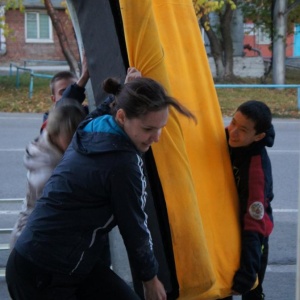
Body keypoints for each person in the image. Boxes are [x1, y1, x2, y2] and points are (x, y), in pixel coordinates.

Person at [6, 76, 196, 300]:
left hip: (64, 262)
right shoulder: (123, 163)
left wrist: (122, 91)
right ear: (122, 117)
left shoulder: (91, 128)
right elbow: (135, 228)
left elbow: (105, 110)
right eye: (148, 129)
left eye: (161, 128)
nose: (156, 138)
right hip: (40, 271)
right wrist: (150, 279)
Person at [9, 101, 87, 249]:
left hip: (32, 238)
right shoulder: (49, 174)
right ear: (55, 133)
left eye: (79, 135)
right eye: (70, 137)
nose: (75, 142)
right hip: (31, 245)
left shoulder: (48, 145)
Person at [224, 100, 275, 300]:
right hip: (229, 225)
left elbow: (255, 225)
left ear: (258, 136)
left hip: (255, 236)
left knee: (251, 290)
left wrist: (247, 273)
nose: (233, 131)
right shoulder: (228, 137)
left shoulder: (257, 170)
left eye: (242, 129)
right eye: (233, 122)